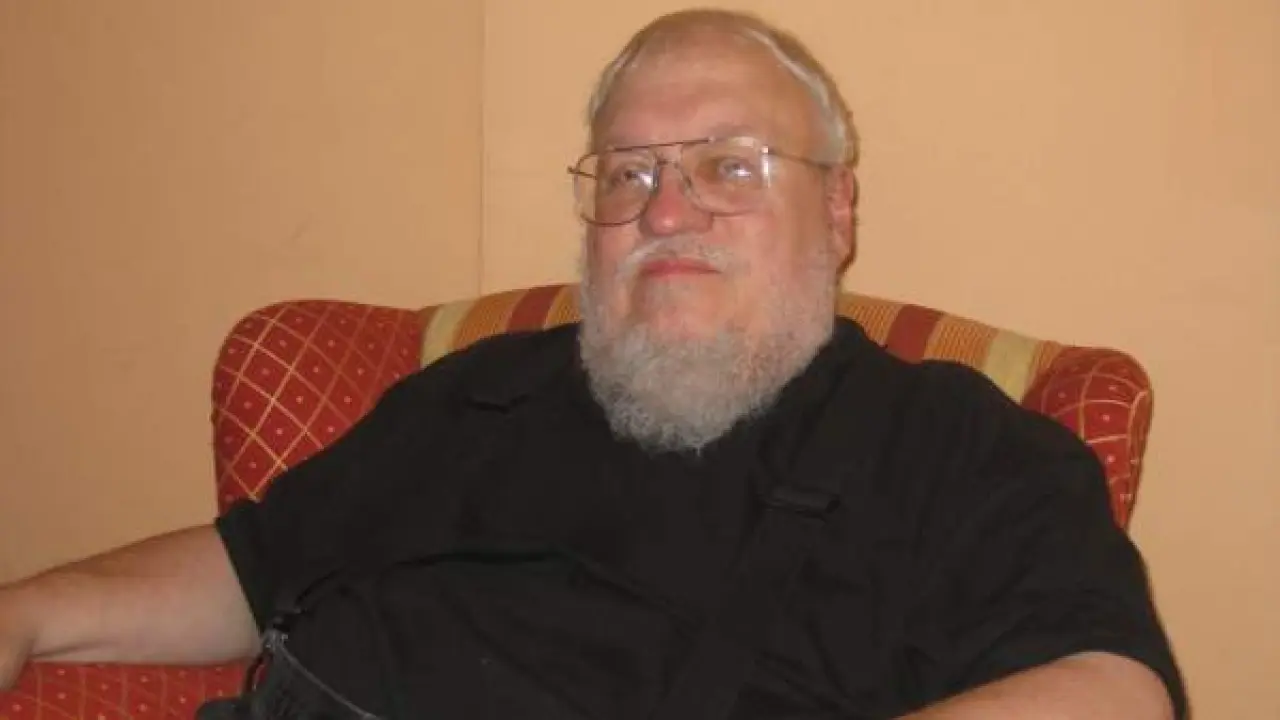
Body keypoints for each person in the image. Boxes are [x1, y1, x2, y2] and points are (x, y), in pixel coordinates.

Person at [0, 8, 1184, 719]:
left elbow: (1111, 689)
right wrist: (26, 615)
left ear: (836, 212)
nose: (665, 211)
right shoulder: (478, 391)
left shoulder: (953, 443)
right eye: (628, 173)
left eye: (727, 166)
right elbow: (248, 569)